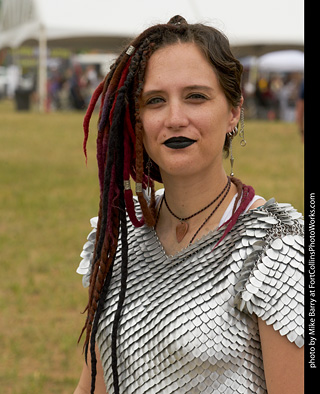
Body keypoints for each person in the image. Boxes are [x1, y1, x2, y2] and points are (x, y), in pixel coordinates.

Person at [74, 16, 304, 394]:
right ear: (137, 118)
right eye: (156, 101)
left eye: (196, 96)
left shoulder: (277, 247)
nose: (175, 118)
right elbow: (95, 383)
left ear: (233, 111)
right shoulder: (119, 235)